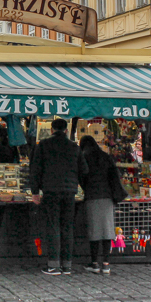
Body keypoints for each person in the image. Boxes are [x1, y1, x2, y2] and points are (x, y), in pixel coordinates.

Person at [29, 118, 87, 275]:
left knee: (53, 225)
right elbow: (84, 171)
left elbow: (35, 169)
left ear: (52, 129)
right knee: (67, 227)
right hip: (69, 192)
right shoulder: (74, 147)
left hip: (50, 191)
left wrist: (35, 191)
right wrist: (83, 189)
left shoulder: (43, 146)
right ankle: (67, 265)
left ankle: (53, 265)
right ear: (66, 130)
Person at [79, 135, 120, 275]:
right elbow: (114, 176)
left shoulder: (84, 157)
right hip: (107, 197)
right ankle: (106, 264)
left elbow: (82, 176)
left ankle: (95, 263)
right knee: (107, 231)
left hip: (92, 197)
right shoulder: (105, 156)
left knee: (94, 231)